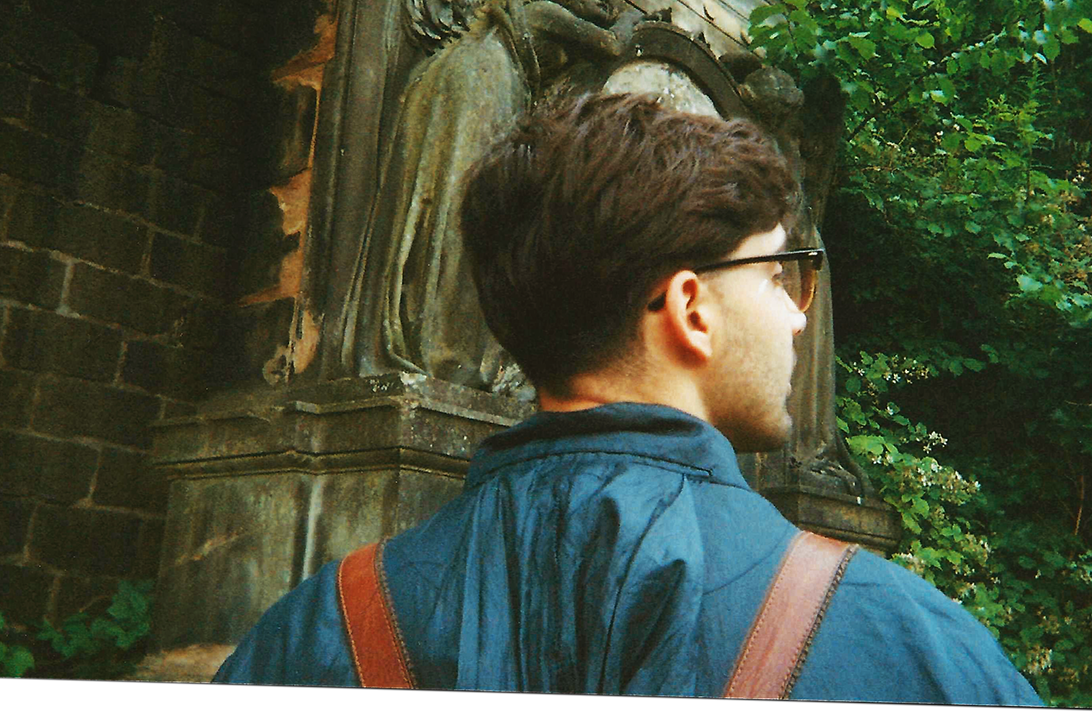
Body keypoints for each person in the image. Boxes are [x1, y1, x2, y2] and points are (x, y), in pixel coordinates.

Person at [215, 93, 1043, 704]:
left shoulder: (312, 633)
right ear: (691, 309)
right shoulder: (911, 648)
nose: (798, 317)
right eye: (779, 276)